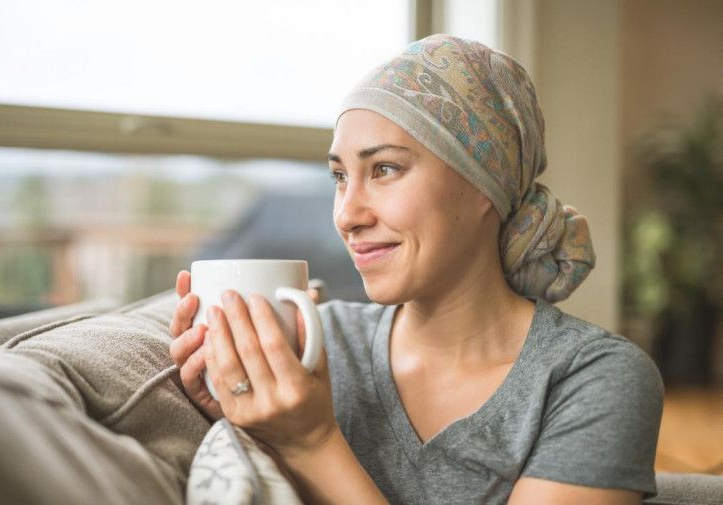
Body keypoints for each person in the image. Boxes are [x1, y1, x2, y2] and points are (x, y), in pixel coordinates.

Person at [169, 35, 663, 504]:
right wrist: (246, 421)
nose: (346, 215)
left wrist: (313, 442)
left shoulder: (592, 378)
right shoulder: (315, 346)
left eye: (384, 169)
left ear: (484, 185)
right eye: (340, 177)